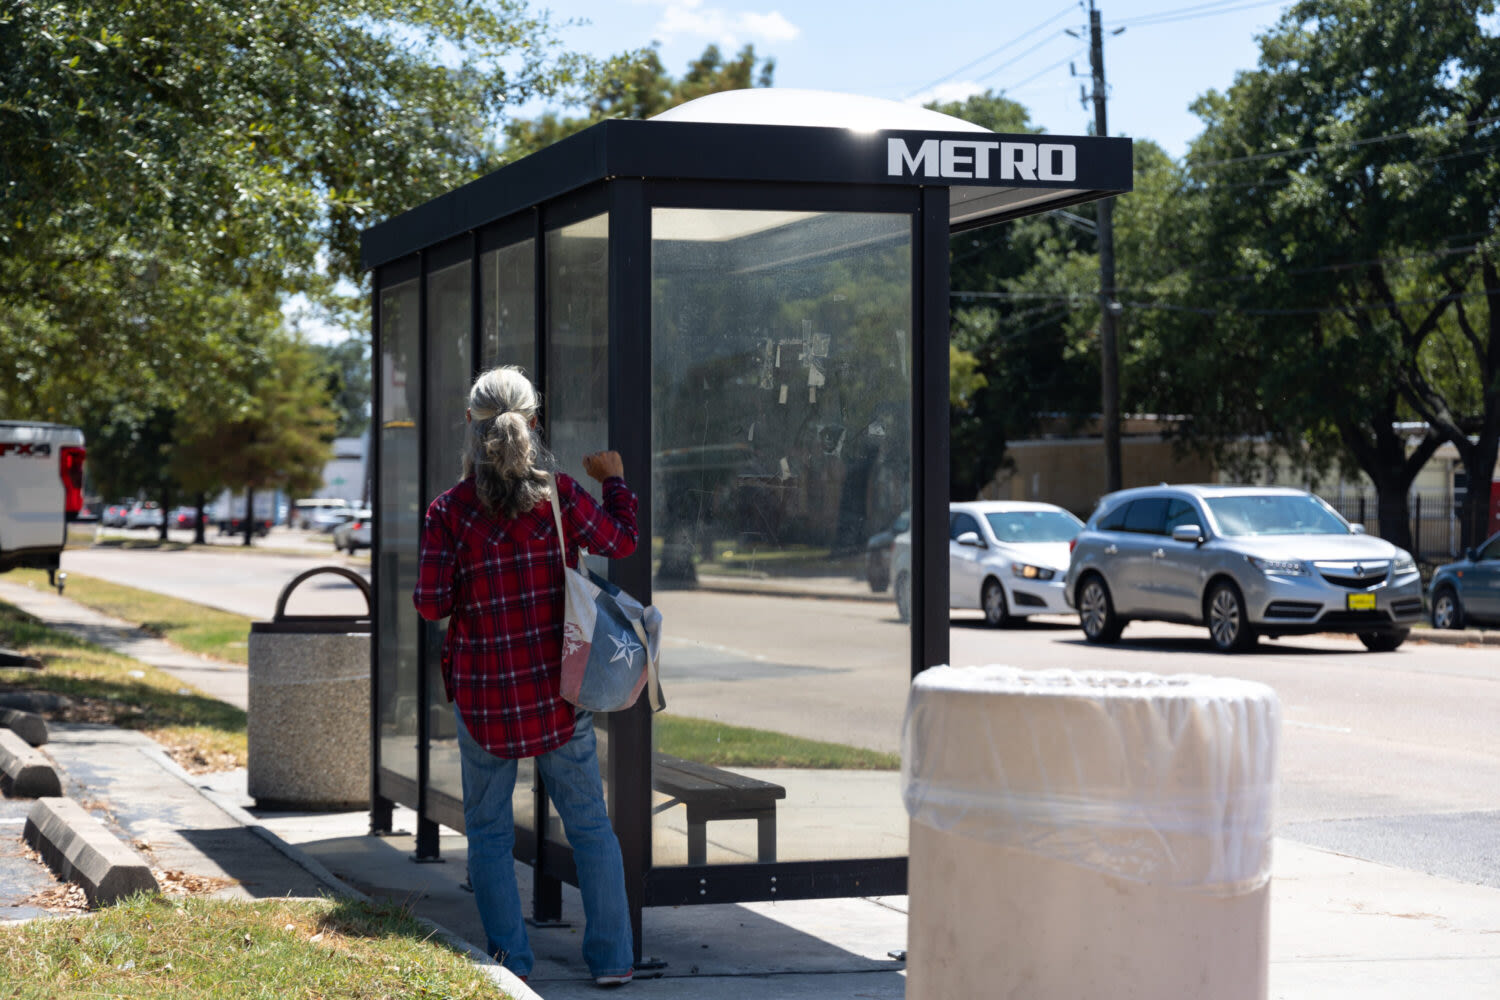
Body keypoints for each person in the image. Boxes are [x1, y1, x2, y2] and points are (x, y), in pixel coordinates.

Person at [413, 365, 637, 987]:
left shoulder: (448, 511)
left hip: (485, 700)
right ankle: (613, 960)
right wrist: (615, 482)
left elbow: (431, 605)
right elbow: (621, 541)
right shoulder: (561, 495)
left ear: (469, 424)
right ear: (534, 422)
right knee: (590, 826)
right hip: (562, 697)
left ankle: (511, 965)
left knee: (487, 833)